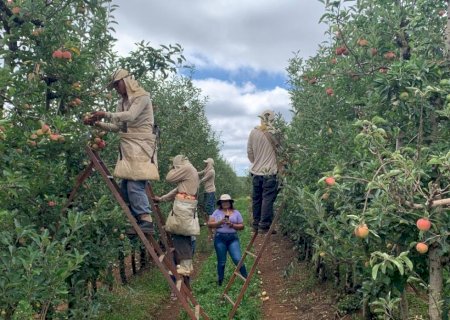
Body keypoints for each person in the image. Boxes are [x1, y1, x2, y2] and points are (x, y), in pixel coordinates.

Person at [83, 69, 157, 234]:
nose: (116, 88)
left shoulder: (142, 97)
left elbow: (130, 116)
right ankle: (137, 220)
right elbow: (117, 127)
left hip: (142, 145)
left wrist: (105, 114)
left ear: (127, 81)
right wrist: (96, 123)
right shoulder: (122, 102)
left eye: (117, 84)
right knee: (125, 186)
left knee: (135, 184)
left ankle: (147, 221)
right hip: (129, 146)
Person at [153, 155, 199, 289]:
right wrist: (162, 199)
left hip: (184, 207)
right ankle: (186, 268)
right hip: (186, 206)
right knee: (181, 235)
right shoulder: (191, 171)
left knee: (180, 234)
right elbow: (177, 190)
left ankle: (185, 268)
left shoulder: (187, 168)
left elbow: (169, 178)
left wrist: (174, 168)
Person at [247, 110, 280, 234]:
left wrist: (257, 162)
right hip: (270, 172)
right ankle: (264, 225)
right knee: (267, 198)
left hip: (256, 172)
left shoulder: (253, 132)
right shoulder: (275, 132)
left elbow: (249, 152)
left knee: (256, 198)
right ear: (273, 120)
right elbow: (282, 150)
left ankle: (256, 224)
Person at [208, 194, 247, 286]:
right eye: (223, 202)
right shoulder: (216, 212)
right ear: (220, 203)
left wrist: (232, 225)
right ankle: (220, 282)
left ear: (230, 202)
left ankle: (246, 278)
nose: (225, 203)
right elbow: (210, 224)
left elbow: (242, 226)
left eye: (227, 201)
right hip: (220, 238)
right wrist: (219, 222)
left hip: (232, 238)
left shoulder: (236, 212)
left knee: (237, 259)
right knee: (221, 262)